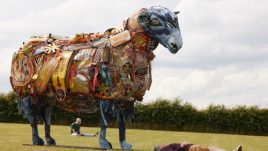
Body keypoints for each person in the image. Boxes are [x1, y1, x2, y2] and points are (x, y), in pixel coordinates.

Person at [154, 143, 242, 151]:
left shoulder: (168, 146)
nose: (162, 143)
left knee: (212, 148)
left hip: (191, 148)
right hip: (191, 149)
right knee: (212, 149)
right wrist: (181, 146)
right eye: (160, 144)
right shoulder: (165, 149)